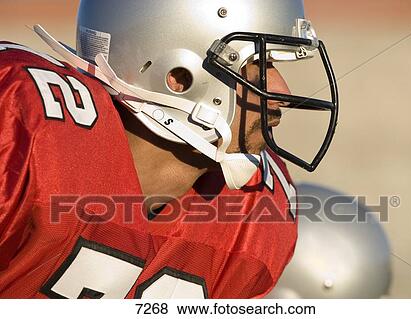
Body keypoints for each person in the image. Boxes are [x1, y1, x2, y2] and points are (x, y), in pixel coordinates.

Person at [0, 0, 338, 298]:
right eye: (260, 67)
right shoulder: (24, 123)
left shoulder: (256, 212)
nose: (281, 91)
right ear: (177, 76)